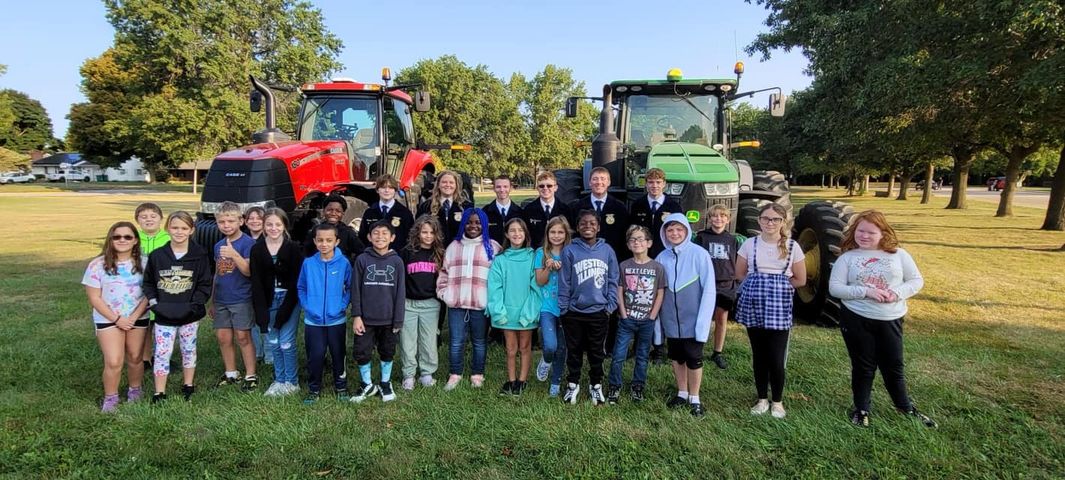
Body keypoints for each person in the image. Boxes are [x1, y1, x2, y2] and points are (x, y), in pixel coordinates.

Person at [829, 210, 937, 428]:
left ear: (882, 233)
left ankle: (904, 407)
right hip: (856, 318)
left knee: (893, 365)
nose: (864, 236)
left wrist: (896, 293)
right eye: (860, 231)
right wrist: (865, 292)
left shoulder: (899, 255)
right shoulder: (847, 258)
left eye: (871, 232)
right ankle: (861, 409)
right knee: (863, 366)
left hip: (890, 318)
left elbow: (916, 281)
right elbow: (835, 288)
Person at [735, 203, 806, 419]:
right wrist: (758, 286)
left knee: (776, 356)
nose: (770, 223)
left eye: (775, 219)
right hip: (753, 303)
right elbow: (739, 274)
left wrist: (778, 287)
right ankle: (761, 398)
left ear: (783, 222)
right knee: (759, 354)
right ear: (759, 221)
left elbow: (800, 279)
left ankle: (777, 401)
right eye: (766, 218)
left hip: (779, 305)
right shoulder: (749, 244)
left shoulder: (793, 246)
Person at [143, 212, 212, 403]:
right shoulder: (158, 255)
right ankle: (159, 391)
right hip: (164, 312)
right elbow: (148, 282)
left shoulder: (199, 255)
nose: (179, 232)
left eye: (184, 228)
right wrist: (154, 302)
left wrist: (196, 303)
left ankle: (188, 384)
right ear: (167, 229)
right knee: (162, 352)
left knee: (189, 349)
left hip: (189, 313)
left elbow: (205, 283)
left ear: (191, 230)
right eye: (175, 227)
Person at [82, 221, 150, 412]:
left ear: (135, 240)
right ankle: (111, 398)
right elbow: (94, 298)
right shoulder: (97, 265)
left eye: (127, 236)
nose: (122, 240)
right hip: (108, 319)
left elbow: (149, 293)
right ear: (110, 240)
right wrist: (117, 319)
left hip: (138, 317)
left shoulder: (145, 263)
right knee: (113, 360)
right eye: (117, 236)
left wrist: (135, 316)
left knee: (136, 357)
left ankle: (135, 390)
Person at [656, 214, 716, 417]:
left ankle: (695, 397)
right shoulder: (662, 257)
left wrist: (703, 321)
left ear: (686, 231)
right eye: (670, 230)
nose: (674, 233)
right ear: (665, 233)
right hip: (671, 319)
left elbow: (708, 289)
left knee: (693, 357)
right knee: (676, 356)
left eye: (679, 229)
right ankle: (681, 392)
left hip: (693, 319)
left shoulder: (700, 254)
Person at [557, 210, 619, 405]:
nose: (588, 226)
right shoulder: (569, 250)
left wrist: (610, 305)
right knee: (573, 350)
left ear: (598, 227)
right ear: (577, 227)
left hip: (599, 311)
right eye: (583, 223)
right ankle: (573, 385)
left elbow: (613, 279)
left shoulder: (607, 250)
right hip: (574, 312)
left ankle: (596, 385)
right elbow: (565, 281)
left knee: (596, 351)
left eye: (592, 223)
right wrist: (564, 307)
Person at [437, 208, 500, 390]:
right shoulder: (453, 247)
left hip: (480, 304)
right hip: (457, 304)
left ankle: (477, 374)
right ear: (463, 223)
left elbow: (499, 278)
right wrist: (445, 294)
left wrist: (492, 299)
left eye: (478, 222)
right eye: (469, 222)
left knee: (479, 341)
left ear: (484, 225)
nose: (473, 226)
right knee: (456, 341)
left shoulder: (493, 248)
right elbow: (443, 273)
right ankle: (455, 373)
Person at [606, 225, 666, 406]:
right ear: (628, 244)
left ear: (649, 243)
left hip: (647, 320)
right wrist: (623, 314)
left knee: (642, 355)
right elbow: (620, 290)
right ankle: (614, 386)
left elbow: (660, 292)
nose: (637, 242)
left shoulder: (657, 267)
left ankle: (637, 386)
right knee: (618, 355)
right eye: (633, 240)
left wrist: (652, 316)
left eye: (640, 239)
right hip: (627, 319)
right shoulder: (624, 266)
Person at [350, 221, 406, 403]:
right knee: (362, 351)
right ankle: (366, 383)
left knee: (387, 350)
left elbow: (400, 292)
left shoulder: (397, 261)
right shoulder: (362, 260)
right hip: (366, 319)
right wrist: (357, 316)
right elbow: (355, 290)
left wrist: (398, 319)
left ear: (392, 238)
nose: (380, 236)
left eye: (384, 233)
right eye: (375, 233)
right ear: (368, 236)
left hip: (389, 319)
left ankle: (385, 382)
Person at [250, 208, 304, 397]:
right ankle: (279, 380)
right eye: (269, 224)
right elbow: (256, 281)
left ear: (284, 226)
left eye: (278, 224)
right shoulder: (257, 249)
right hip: (268, 299)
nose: (274, 228)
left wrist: (286, 309)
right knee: (273, 341)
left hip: (288, 299)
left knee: (286, 341)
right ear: (264, 226)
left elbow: (297, 281)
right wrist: (260, 310)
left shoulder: (293, 248)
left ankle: (292, 381)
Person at [297, 223, 353, 404]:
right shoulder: (308, 263)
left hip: (336, 320)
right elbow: (301, 287)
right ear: (314, 241)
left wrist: (342, 305)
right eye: (320, 240)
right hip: (313, 321)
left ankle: (341, 386)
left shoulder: (344, 263)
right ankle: (314, 389)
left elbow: (351, 287)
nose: (324, 244)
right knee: (316, 355)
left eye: (329, 240)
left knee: (339, 354)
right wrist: (308, 306)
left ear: (336, 241)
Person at [488, 218, 541, 396]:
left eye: (520, 230)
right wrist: (499, 312)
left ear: (525, 233)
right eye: (512, 230)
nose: (517, 234)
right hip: (507, 312)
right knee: (510, 349)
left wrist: (529, 313)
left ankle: (522, 380)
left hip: (526, 311)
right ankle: (511, 380)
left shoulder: (533, 257)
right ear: (506, 234)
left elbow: (537, 287)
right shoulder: (500, 260)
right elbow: (495, 288)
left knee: (525, 347)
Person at [211, 201, 259, 391]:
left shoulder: (249, 244)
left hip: (241, 298)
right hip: (222, 298)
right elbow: (217, 273)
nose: (226, 225)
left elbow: (248, 271)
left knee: (243, 336)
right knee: (223, 337)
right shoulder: (218, 245)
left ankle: (250, 374)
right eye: (222, 222)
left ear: (241, 221)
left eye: (231, 221)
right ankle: (231, 372)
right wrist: (213, 300)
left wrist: (234, 254)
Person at [695, 204, 745, 370]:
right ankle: (697, 348)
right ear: (709, 219)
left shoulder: (732, 240)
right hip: (705, 283)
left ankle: (718, 352)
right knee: (702, 318)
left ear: (728, 219)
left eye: (722, 216)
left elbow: (737, 262)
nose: (718, 219)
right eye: (714, 216)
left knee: (721, 318)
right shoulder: (701, 237)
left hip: (725, 284)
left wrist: (735, 281)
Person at [399, 216, 444, 391]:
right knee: (408, 341)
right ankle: (409, 374)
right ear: (417, 233)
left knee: (428, 340)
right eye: (424, 232)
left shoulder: (439, 254)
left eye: (432, 232)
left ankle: (427, 373)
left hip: (431, 304)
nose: (428, 236)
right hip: (408, 303)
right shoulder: (407, 252)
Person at [533, 216, 572, 397]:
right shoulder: (541, 253)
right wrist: (548, 268)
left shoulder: (571, 252)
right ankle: (546, 360)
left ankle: (555, 381)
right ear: (547, 234)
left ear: (566, 234)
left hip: (566, 308)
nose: (556, 236)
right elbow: (540, 282)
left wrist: (563, 267)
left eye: (560, 232)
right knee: (550, 345)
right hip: (547, 307)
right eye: (553, 232)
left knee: (562, 347)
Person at [134, 202, 170, 372]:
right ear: (137, 220)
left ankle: (162, 356)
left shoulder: (168, 238)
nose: (149, 220)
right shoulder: (133, 238)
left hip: (162, 288)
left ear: (161, 219)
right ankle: (145, 357)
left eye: (153, 216)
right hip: (137, 289)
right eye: (144, 217)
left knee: (160, 323)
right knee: (145, 323)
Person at [568, 167, 629, 260]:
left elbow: (624, 236)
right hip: (584, 258)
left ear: (609, 182)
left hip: (612, 258)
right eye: (595, 179)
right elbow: (573, 234)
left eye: (603, 179)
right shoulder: (578, 207)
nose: (599, 182)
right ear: (589, 183)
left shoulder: (619, 208)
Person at [628, 168, 682, 258]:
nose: (654, 186)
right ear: (646, 184)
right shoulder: (637, 205)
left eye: (658, 182)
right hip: (642, 255)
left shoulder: (674, 206)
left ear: (664, 184)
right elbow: (632, 230)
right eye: (651, 182)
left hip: (666, 253)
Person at [359, 174, 414, 252]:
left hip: (397, 258)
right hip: (373, 257)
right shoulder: (369, 212)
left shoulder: (405, 213)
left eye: (390, 187)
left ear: (395, 190)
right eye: (383, 187)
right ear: (377, 190)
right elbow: (362, 237)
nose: (387, 190)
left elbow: (410, 239)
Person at [417, 170, 474, 244]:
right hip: (434, 251)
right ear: (438, 185)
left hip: (459, 251)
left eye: (451, 182)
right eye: (444, 182)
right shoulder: (426, 206)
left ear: (456, 185)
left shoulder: (466, 206)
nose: (448, 185)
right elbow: (418, 230)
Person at [301, 195, 365, 259]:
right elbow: (306, 252)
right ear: (323, 211)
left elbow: (361, 252)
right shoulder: (316, 230)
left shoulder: (348, 232)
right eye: (329, 210)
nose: (333, 213)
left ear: (343, 213)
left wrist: (351, 264)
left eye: (338, 211)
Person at [243, 206, 267, 364]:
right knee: (251, 321)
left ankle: (269, 352)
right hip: (246, 287)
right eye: (251, 218)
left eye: (259, 218)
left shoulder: (269, 239)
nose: (255, 221)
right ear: (245, 221)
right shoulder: (242, 240)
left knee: (265, 319)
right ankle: (257, 352)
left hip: (264, 287)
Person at [525, 171, 572, 249]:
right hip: (536, 253)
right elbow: (526, 235)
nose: (545, 188)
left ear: (555, 188)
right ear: (537, 188)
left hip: (559, 253)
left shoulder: (565, 210)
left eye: (549, 186)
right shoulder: (528, 210)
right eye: (541, 186)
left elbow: (569, 234)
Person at [483, 174, 526, 246]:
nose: (502, 190)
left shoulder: (520, 212)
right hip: (493, 253)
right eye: (498, 187)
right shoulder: (485, 212)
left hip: (513, 253)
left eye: (505, 187)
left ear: (511, 188)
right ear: (494, 188)